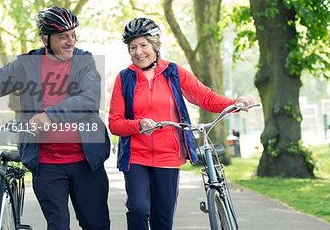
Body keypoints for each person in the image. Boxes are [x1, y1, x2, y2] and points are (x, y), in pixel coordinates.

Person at [0, 6, 110, 230]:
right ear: (45, 39)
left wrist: (50, 116)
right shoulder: (28, 65)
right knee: (57, 225)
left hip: (85, 162)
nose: (71, 41)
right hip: (48, 165)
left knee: (96, 225)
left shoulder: (84, 62)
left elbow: (88, 98)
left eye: (73, 35)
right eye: (63, 37)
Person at [108, 17, 255, 229]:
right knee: (138, 209)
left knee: (163, 218)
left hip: (168, 156)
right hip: (136, 157)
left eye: (143, 45)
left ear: (155, 45)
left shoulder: (173, 73)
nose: (138, 52)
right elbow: (115, 123)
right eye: (132, 47)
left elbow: (205, 97)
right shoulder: (124, 79)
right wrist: (138, 125)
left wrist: (234, 102)